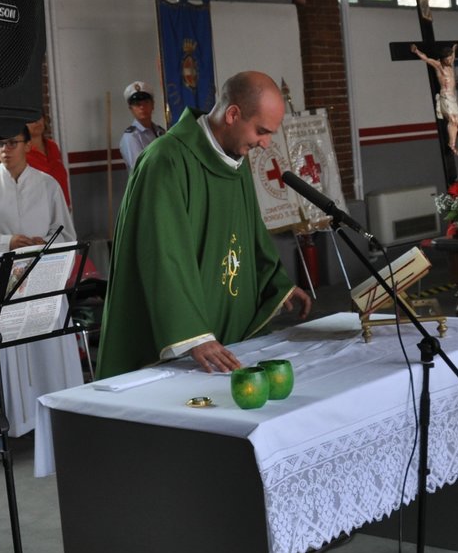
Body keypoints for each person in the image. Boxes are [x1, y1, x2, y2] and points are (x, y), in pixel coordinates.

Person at [96, 70, 313, 379]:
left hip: (224, 341)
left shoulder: (234, 160)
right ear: (233, 114)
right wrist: (193, 334)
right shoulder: (166, 160)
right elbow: (161, 253)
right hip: (177, 347)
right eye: (262, 131)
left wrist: (276, 284)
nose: (265, 144)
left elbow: (249, 231)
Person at [0, 128, 83, 437]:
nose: (6, 149)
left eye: (12, 142)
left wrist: (46, 246)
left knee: (51, 350)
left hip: (43, 280)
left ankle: (61, 421)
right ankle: (0, 429)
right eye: (0, 142)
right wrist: (8, 241)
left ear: (27, 145)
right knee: (3, 356)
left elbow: (67, 237)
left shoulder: (47, 184)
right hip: (4, 283)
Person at [411, 43, 458, 155]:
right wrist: (416, 51)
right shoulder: (438, 65)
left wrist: (453, 49)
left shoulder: (450, 64)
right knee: (452, 120)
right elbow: (426, 59)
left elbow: (452, 56)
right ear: (443, 59)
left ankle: (452, 143)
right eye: (447, 59)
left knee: (456, 121)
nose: (449, 61)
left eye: (450, 59)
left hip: (452, 97)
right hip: (445, 96)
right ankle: (451, 145)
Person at [25, 115, 72, 206]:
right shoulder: (22, 152)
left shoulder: (52, 146)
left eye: (38, 116)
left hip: (61, 206)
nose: (36, 121)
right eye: (30, 119)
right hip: (39, 209)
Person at [119, 80, 165, 171]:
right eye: (137, 104)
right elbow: (140, 170)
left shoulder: (160, 132)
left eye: (146, 102)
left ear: (153, 105)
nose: (142, 107)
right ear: (131, 109)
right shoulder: (131, 137)